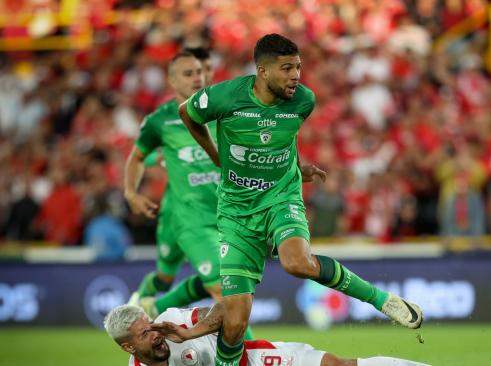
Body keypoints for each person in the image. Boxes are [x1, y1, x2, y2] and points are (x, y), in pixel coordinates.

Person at [177, 33, 423, 365]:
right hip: (236, 211)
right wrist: (215, 154)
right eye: (286, 68)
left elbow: (281, 139)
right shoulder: (224, 97)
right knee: (235, 322)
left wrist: (295, 167)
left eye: (298, 67)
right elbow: (186, 112)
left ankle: (383, 301)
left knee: (296, 262)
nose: (296, 76)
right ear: (262, 71)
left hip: (281, 197)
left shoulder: (303, 101)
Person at [123, 50, 223, 320]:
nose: (197, 78)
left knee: (222, 285)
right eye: (188, 74)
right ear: (172, 81)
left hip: (228, 215)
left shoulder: (223, 113)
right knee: (225, 292)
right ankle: (244, 359)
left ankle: (153, 307)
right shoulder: (161, 121)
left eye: (200, 72)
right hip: (189, 218)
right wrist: (131, 193)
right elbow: (139, 157)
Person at [104, 304, 430, 366]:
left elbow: (226, 310)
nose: (157, 335)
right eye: (146, 335)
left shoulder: (171, 321)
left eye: (151, 327)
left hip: (250, 359)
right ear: (128, 347)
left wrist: (190, 332)